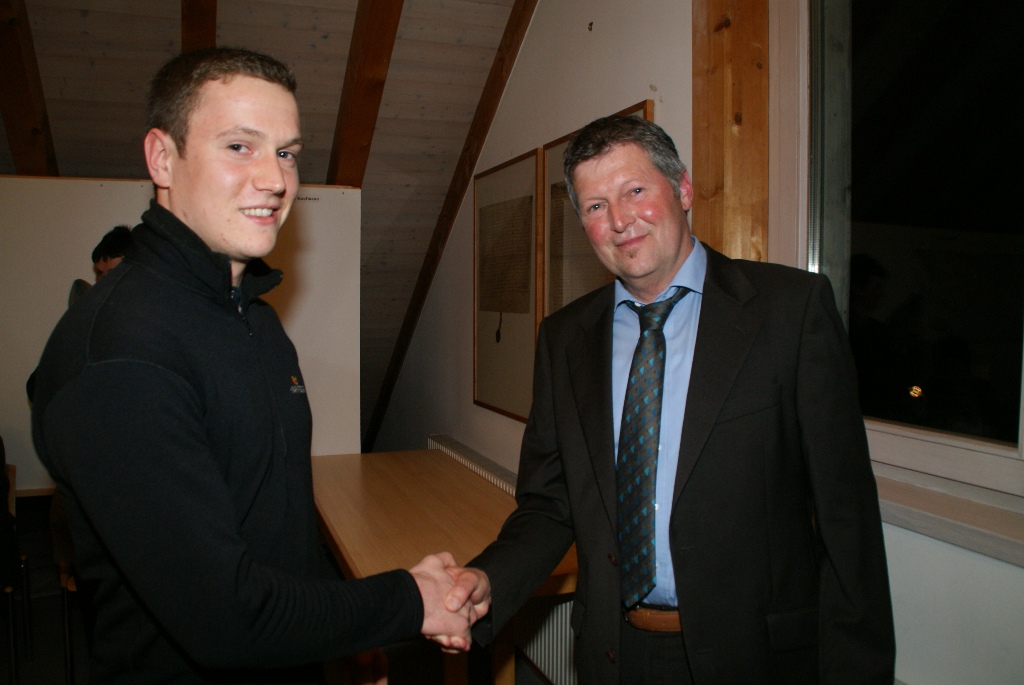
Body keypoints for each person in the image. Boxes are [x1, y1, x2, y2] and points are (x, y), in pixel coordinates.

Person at [31, 47, 480, 684]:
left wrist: (348, 633)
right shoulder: (121, 356)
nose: (274, 178)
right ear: (162, 158)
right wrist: (409, 601)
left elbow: (277, 519)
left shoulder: (255, 318)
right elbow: (224, 617)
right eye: (240, 146)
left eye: (287, 152)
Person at [445, 116, 895, 683]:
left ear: (682, 189)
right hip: (614, 656)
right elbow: (549, 504)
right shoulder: (564, 339)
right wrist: (487, 579)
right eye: (595, 206)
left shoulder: (789, 311)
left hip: (754, 660)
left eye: (635, 190)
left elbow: (846, 519)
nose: (619, 220)